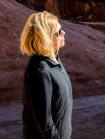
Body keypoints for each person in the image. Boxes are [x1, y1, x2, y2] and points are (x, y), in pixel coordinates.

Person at [20, 11, 73, 139]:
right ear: (46, 38)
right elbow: (45, 124)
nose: (63, 33)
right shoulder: (40, 72)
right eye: (58, 32)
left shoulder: (54, 61)